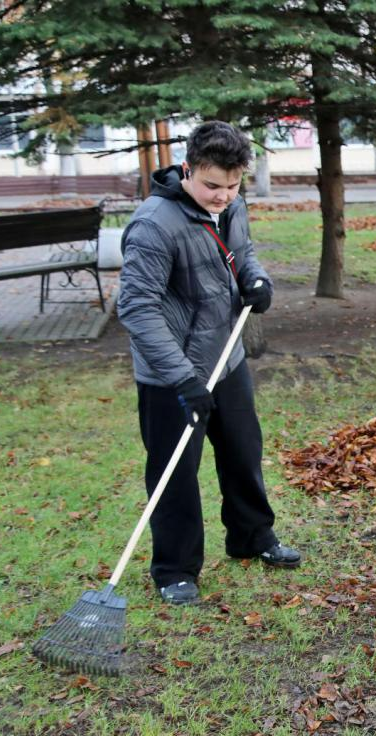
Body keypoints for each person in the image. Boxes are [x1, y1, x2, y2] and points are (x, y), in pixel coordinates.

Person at [117, 121, 302, 606]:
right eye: (212, 185)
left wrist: (257, 282)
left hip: (227, 355)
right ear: (187, 171)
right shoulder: (153, 225)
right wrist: (182, 378)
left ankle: (252, 536)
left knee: (243, 449)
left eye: (233, 184)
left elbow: (241, 254)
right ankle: (174, 568)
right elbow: (138, 308)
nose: (223, 196)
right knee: (175, 469)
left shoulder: (232, 205)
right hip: (172, 374)